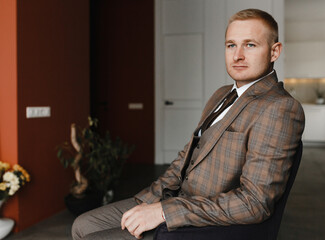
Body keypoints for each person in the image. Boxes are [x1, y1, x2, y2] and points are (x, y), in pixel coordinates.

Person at [72, 8, 305, 240]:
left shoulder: (279, 108)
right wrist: (147, 201)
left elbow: (255, 202)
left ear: (275, 51)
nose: (237, 55)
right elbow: (187, 158)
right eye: (231, 45)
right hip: (172, 199)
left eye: (250, 45)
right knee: (82, 225)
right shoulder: (222, 94)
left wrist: (164, 212)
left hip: (197, 222)